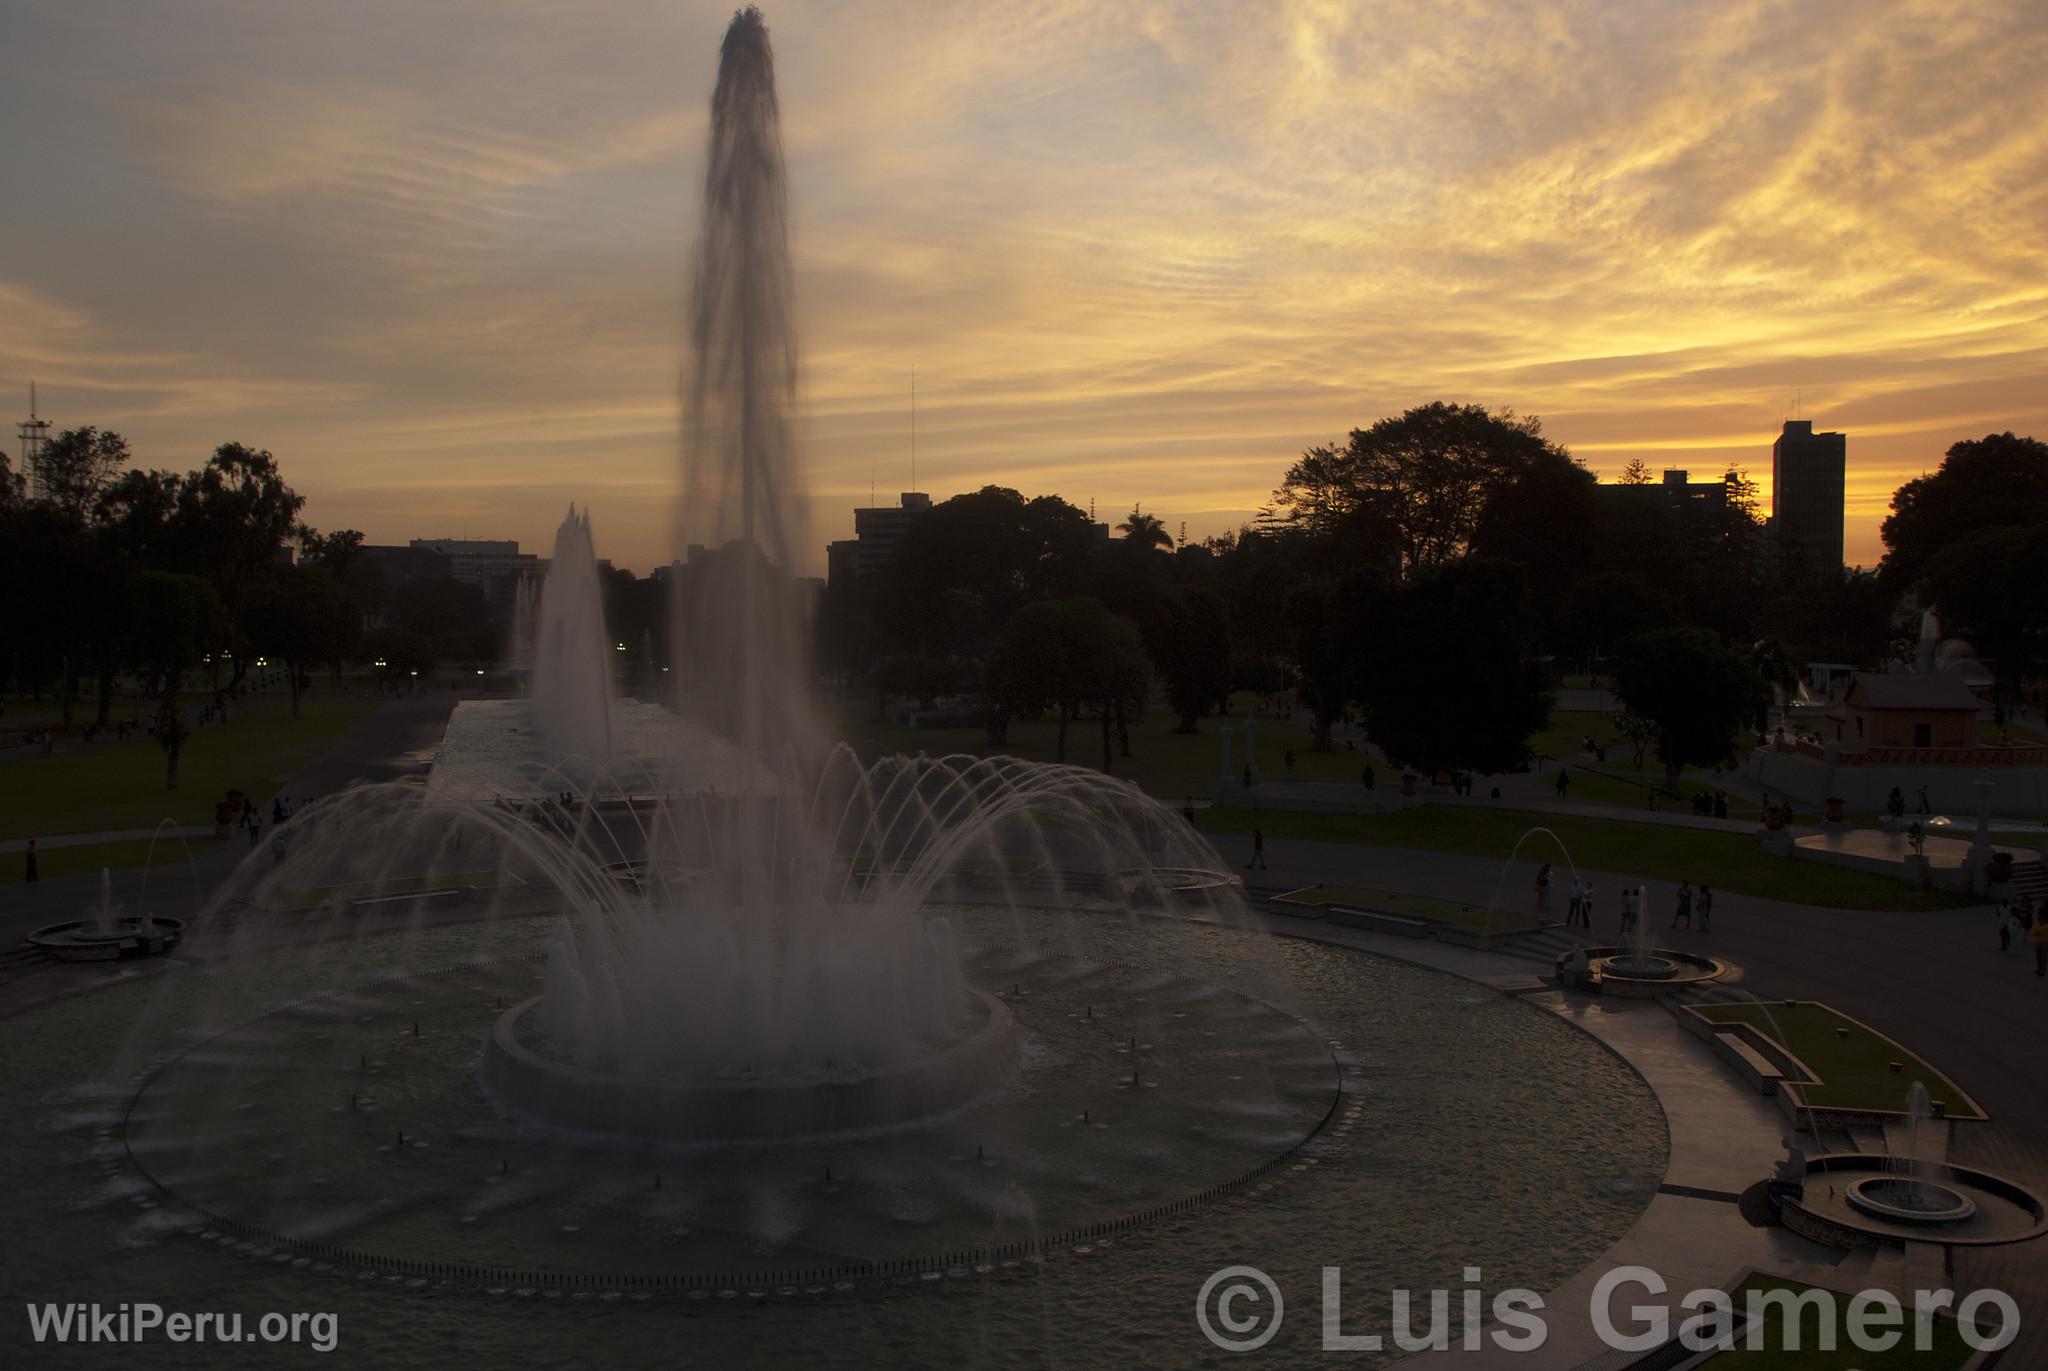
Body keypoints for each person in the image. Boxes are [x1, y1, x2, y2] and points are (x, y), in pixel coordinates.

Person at [2032, 912, 2048, 978]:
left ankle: (2043, 971)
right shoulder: (2036, 926)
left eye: (2043, 919)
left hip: (2045, 944)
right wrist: (2036, 933)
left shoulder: (2047, 927)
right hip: (2038, 944)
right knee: (2038, 958)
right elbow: (2033, 933)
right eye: (2040, 919)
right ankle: (2039, 969)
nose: (2041, 920)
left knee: (2043, 959)